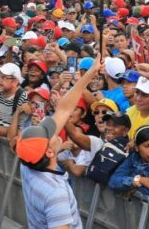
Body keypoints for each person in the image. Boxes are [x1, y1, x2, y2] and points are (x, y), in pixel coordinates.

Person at [13, 56, 103, 229]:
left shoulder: (27, 165)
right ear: (49, 152)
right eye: (49, 134)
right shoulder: (55, 195)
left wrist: (90, 73)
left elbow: (63, 109)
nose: (54, 129)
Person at [108, 125, 149, 200]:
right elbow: (113, 181)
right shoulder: (133, 158)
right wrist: (139, 180)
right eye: (147, 146)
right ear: (137, 147)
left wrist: (138, 189)